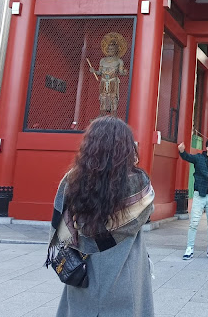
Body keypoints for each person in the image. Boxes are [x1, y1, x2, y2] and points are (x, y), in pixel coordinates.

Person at [47, 116, 155, 317]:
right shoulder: (139, 184)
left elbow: (61, 228)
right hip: (125, 268)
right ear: (125, 147)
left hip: (83, 270)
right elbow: (148, 213)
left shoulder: (72, 181)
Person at [88, 32, 128, 116]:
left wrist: (124, 72)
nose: (110, 51)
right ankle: (102, 115)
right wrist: (94, 71)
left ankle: (114, 115)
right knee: (103, 98)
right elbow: (99, 72)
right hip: (103, 81)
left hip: (113, 81)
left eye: (112, 49)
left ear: (116, 50)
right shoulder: (102, 60)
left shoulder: (119, 61)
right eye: (109, 49)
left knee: (113, 98)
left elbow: (120, 72)